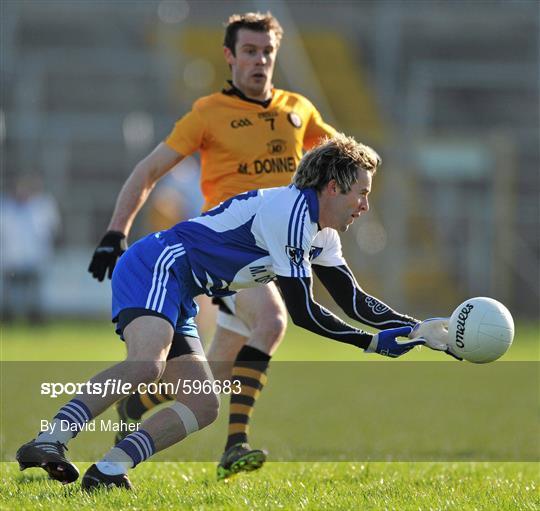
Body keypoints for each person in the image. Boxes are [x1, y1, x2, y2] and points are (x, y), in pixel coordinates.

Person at [18, 134, 445, 491]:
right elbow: (304, 313)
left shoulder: (323, 235)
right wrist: (370, 343)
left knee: (203, 404)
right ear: (333, 187)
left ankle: (110, 470)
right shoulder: (292, 212)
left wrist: (419, 329)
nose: (366, 205)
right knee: (147, 365)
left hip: (184, 288)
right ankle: (49, 439)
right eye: (362, 193)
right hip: (158, 263)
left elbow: (355, 301)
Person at [87, 11, 338, 479]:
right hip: (224, 251)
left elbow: (344, 159)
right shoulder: (208, 113)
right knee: (272, 320)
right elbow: (148, 171)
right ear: (230, 56)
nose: (259, 60)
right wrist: (115, 232)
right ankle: (236, 443)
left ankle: (135, 406)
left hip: (272, 258)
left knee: (212, 376)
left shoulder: (298, 110)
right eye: (249, 51)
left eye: (267, 52)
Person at [1, 174, 60, 323]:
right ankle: (8, 318)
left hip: (35, 257)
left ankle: (34, 318)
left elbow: (52, 230)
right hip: (12, 258)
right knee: (10, 292)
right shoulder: (6, 208)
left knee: (33, 292)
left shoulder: (41, 207)